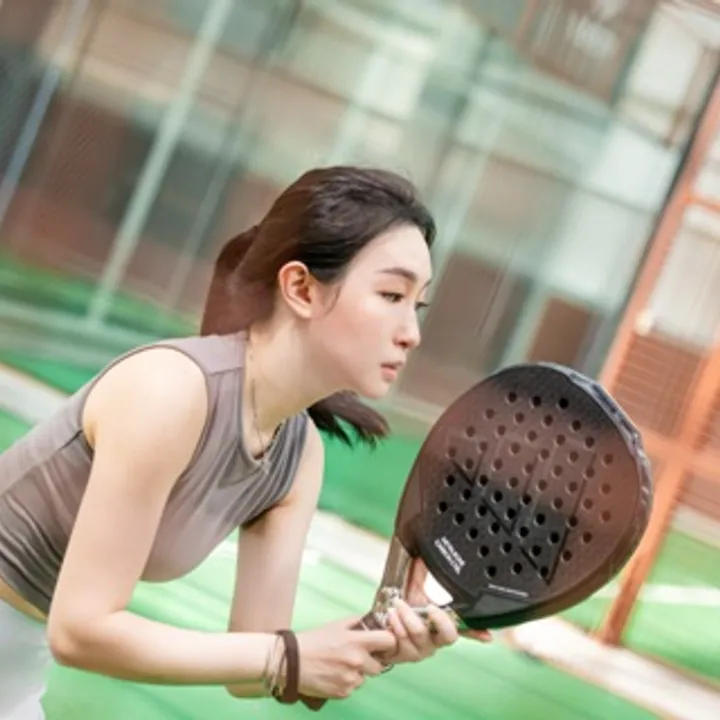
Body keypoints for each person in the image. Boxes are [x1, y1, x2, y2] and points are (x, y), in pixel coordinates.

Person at [0, 165, 489, 719]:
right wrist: (284, 657)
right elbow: (80, 632)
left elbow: (256, 667)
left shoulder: (297, 455)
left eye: (416, 304)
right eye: (391, 294)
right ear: (301, 288)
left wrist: (390, 632)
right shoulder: (169, 392)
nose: (411, 333)